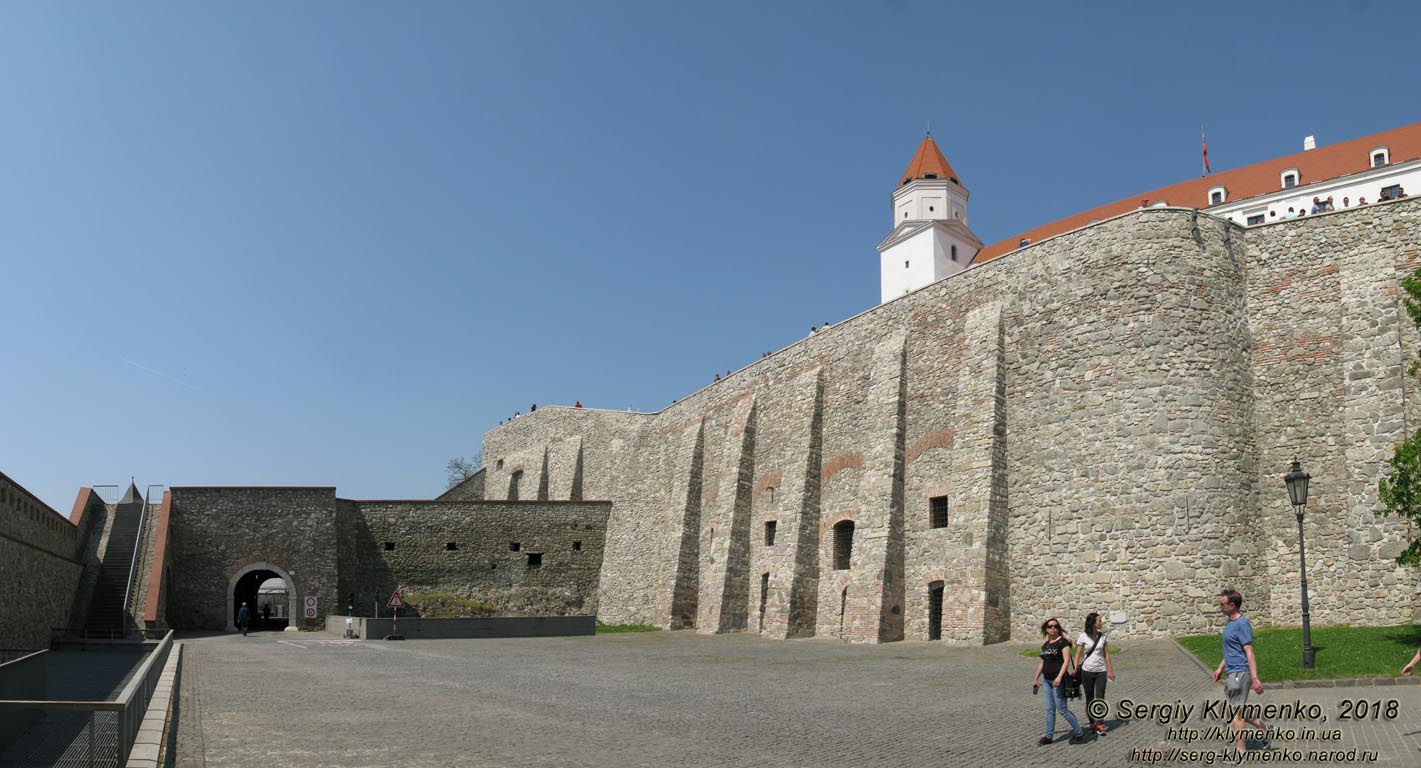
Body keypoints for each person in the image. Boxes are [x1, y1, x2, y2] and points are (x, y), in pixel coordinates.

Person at [1211, 588, 1267, 756]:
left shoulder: (1242, 624)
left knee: (1237, 714)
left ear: (1232, 605)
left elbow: (1248, 651)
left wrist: (1255, 678)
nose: (1220, 606)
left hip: (1240, 673)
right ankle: (1263, 727)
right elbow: (1231, 650)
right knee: (1235, 710)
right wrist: (1220, 667)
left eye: (1222, 604)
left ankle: (1241, 750)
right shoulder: (1230, 622)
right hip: (1231, 671)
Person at [1032, 617, 1086, 745]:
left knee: (1062, 709)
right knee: (1050, 709)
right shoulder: (1045, 645)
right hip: (1046, 681)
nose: (1053, 628)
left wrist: (1059, 677)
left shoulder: (1063, 642)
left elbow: (1066, 660)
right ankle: (1049, 736)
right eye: (1050, 626)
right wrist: (1035, 678)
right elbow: (1042, 662)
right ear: (1046, 629)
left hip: (1058, 680)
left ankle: (1079, 733)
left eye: (1056, 626)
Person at [1074, 612, 1116, 734]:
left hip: (1101, 671)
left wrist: (1110, 670)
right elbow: (1077, 654)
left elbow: (1106, 654)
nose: (1101, 623)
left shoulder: (1103, 637)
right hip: (1087, 671)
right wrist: (1075, 668)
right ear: (1093, 623)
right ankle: (1092, 721)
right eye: (1099, 621)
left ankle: (1100, 723)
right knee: (1090, 698)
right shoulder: (1083, 637)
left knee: (1100, 697)